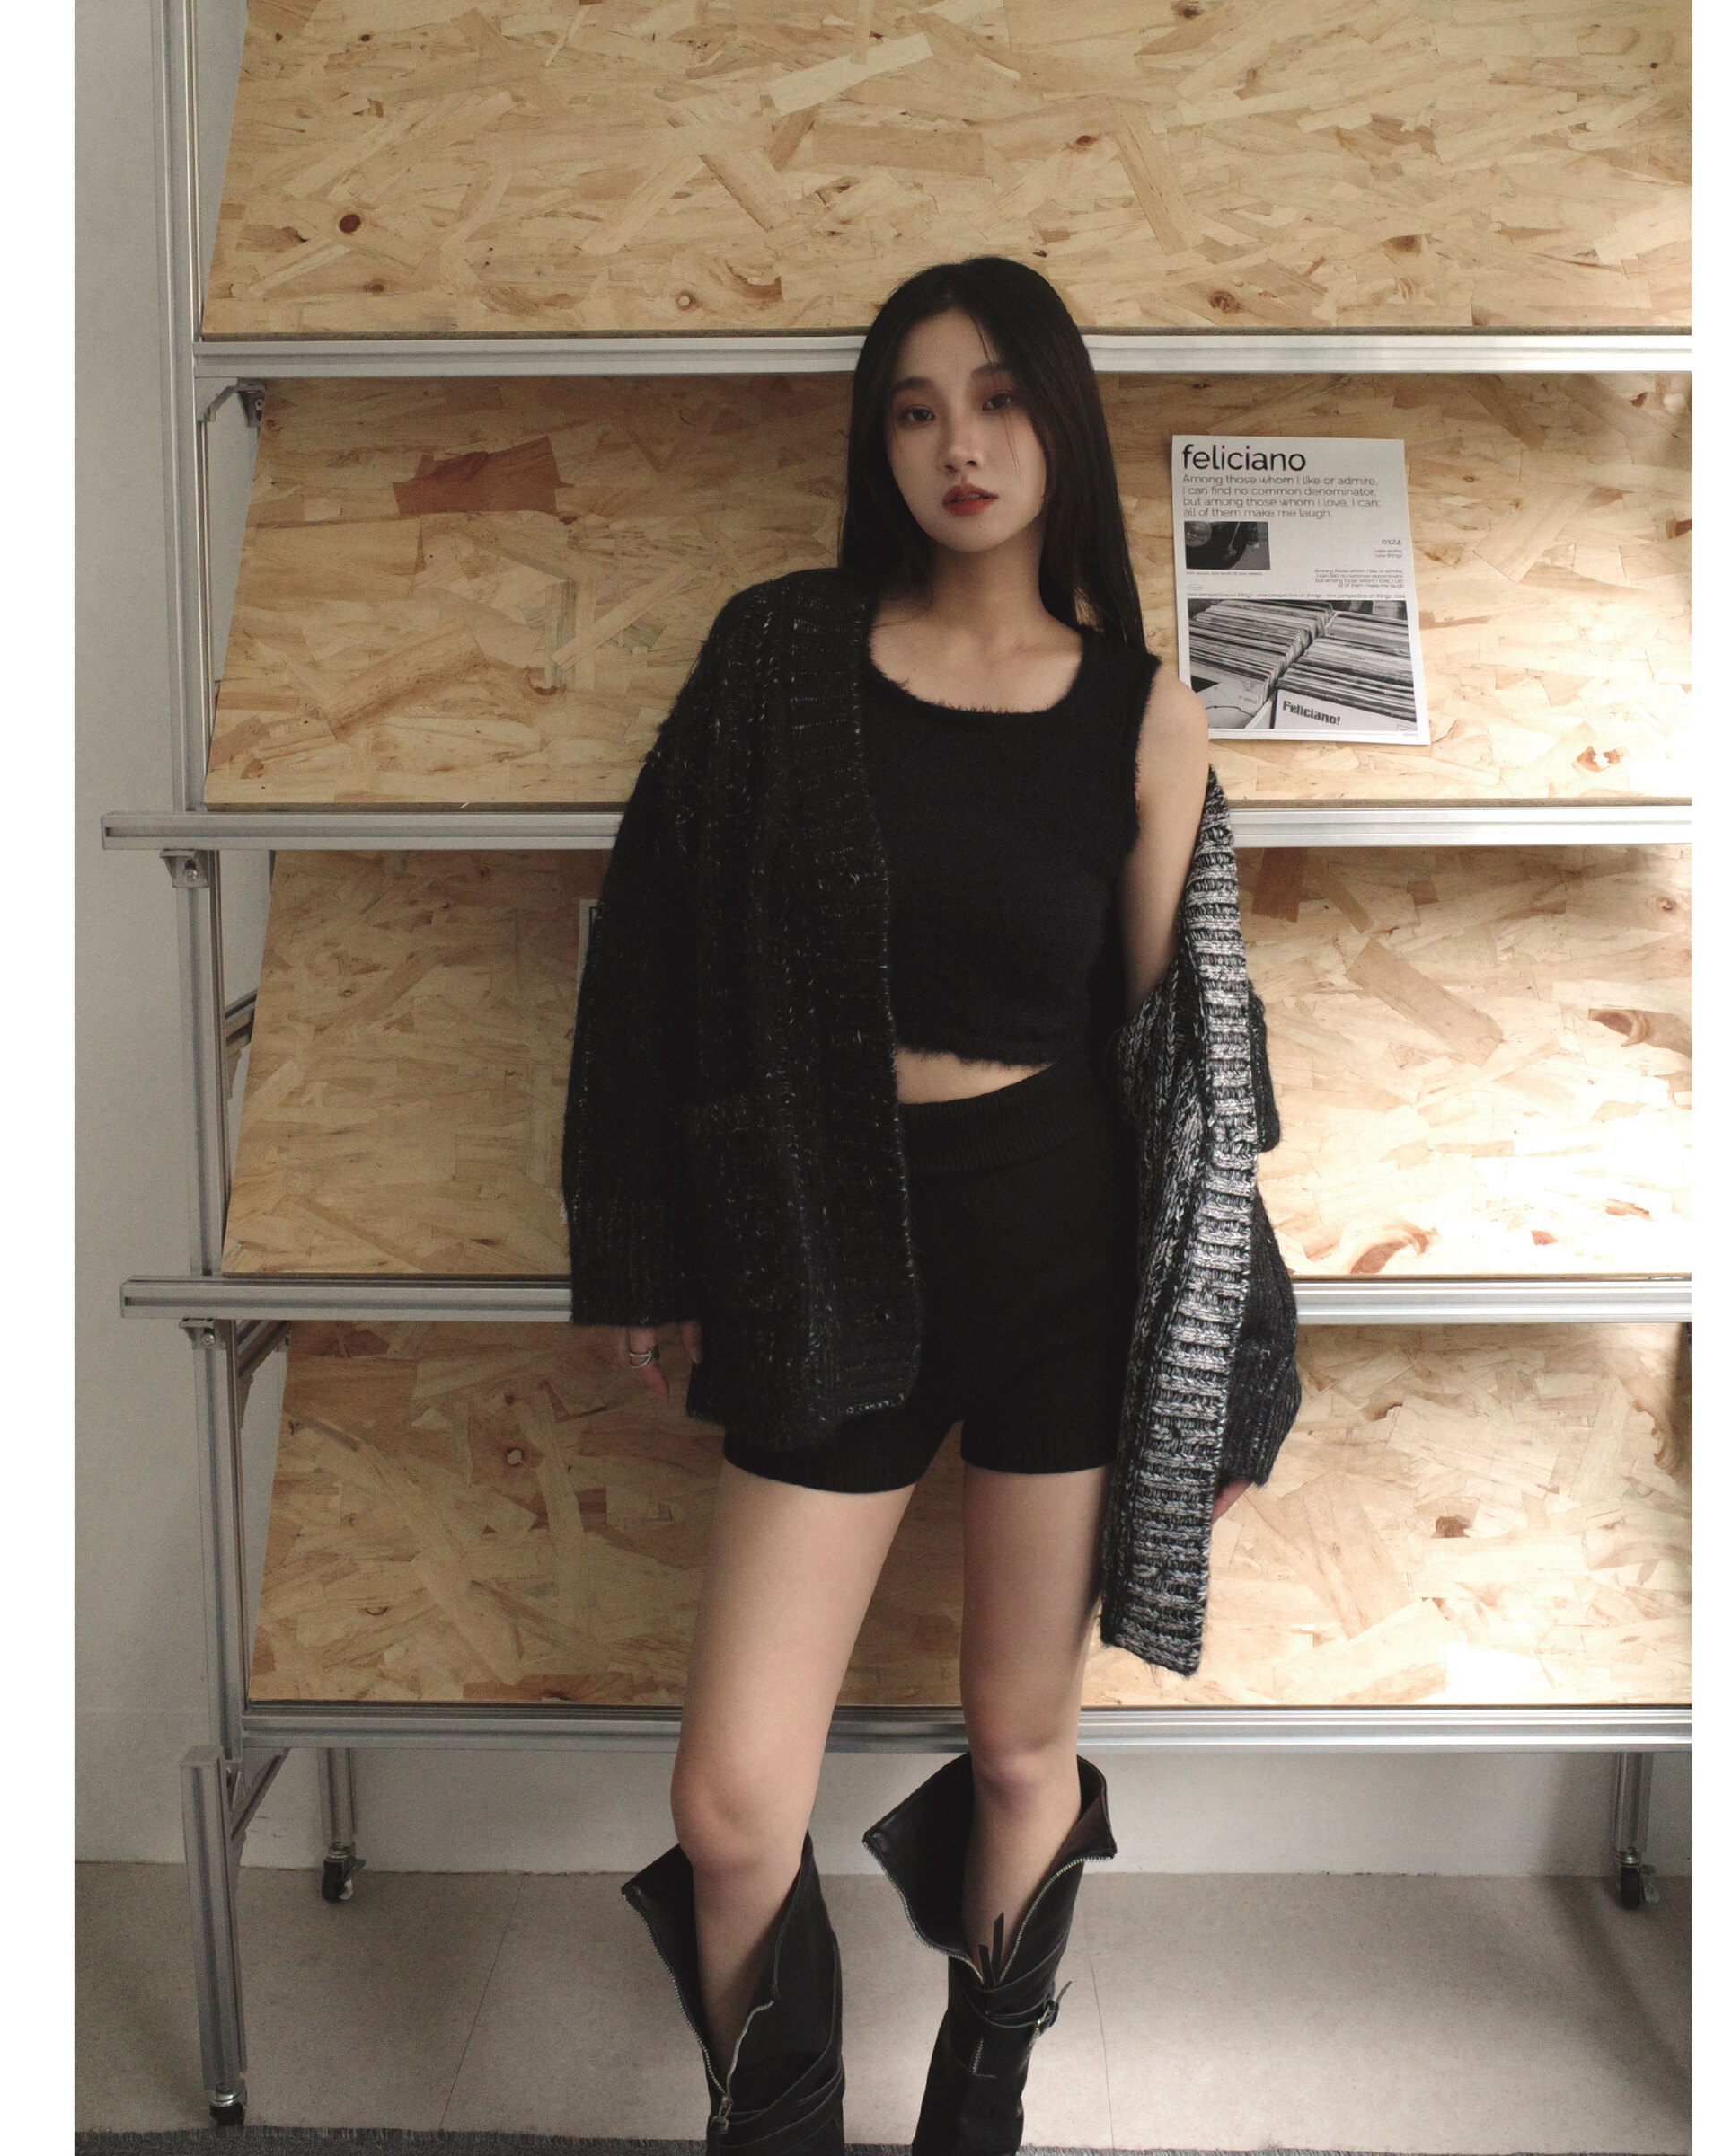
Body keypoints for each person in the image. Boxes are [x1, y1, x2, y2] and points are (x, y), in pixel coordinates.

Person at [561, 257, 1296, 2155]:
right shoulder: (780, 659)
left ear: (1061, 423)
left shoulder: (1142, 713)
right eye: (912, 407)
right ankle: (779, 2124)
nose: (958, 444)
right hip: (822, 1248)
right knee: (732, 1801)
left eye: (997, 399)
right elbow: (646, 951)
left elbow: (1188, 1074)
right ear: (874, 441)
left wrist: (1242, 1354)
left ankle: (980, 2106)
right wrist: (637, 1243)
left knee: (1022, 1740)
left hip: (1060, 1249)